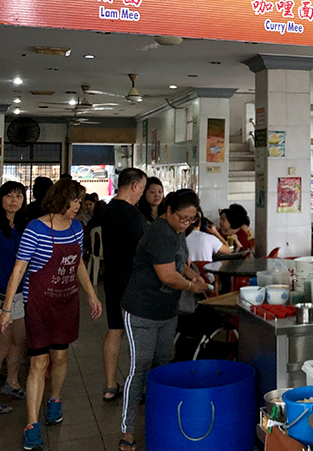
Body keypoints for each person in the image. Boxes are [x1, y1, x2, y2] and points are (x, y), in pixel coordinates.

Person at [0, 179, 102, 451]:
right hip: (39, 304)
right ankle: (32, 425)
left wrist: (91, 294)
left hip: (66, 302)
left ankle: (54, 400)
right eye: (76, 202)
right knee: (38, 363)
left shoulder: (77, 228)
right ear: (60, 201)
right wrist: (7, 309)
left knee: (60, 357)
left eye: (80, 202)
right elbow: (19, 270)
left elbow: (78, 261)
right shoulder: (35, 229)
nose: (79, 207)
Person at [120, 189, 209, 451]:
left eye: (191, 220)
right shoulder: (159, 232)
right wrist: (192, 287)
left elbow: (179, 264)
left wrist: (194, 276)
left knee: (162, 367)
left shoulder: (178, 232)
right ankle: (127, 430)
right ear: (168, 210)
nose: (186, 224)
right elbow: (168, 276)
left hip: (166, 313)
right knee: (140, 369)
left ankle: (159, 418)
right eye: (182, 218)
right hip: (141, 312)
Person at [100, 168, 147, 403]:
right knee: (137, 333)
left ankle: (110, 385)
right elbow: (144, 249)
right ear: (135, 186)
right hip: (133, 280)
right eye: (143, 188)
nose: (143, 194)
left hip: (112, 278)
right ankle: (137, 386)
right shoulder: (133, 216)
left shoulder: (107, 210)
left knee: (115, 329)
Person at [0, 182, 28, 414]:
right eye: (8, 195)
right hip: (1, 295)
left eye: (18, 196)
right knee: (3, 343)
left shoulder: (19, 225)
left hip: (17, 293)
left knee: (19, 339)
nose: (13, 200)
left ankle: (12, 382)